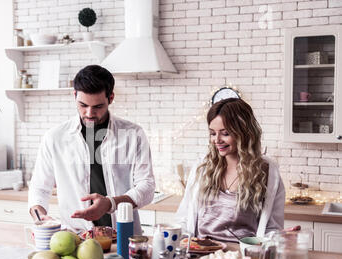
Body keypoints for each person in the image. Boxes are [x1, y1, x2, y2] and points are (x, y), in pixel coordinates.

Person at [28, 65, 155, 234]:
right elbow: (39, 188)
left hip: (124, 237)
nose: (89, 113)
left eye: (98, 107)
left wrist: (111, 203)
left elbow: (147, 187)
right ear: (74, 96)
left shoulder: (133, 134)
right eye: (83, 105)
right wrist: (40, 217)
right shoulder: (54, 138)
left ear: (111, 98)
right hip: (75, 238)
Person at [175, 98, 285, 241]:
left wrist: (281, 238)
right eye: (213, 133)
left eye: (225, 133)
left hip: (243, 258)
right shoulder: (202, 168)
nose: (217, 140)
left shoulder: (268, 173)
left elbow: (272, 229)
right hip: (202, 255)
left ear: (244, 133)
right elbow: (184, 218)